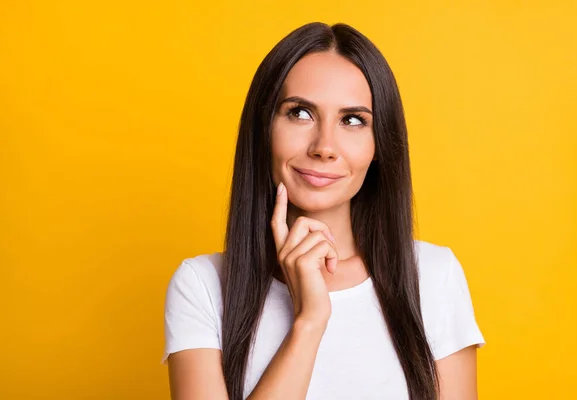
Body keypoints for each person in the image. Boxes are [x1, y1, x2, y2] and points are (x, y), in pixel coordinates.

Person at [161, 22, 485, 400]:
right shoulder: (202, 285)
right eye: (300, 113)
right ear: (263, 128)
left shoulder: (433, 277)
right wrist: (309, 322)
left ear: (379, 145)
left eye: (352, 120)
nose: (324, 146)